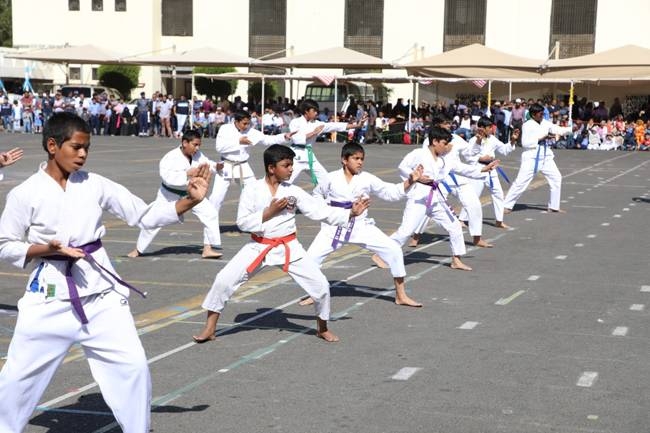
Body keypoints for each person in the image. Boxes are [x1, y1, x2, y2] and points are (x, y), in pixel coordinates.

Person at [0, 112, 211, 433]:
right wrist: (46, 249)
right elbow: (4, 244)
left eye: (87, 148)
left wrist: (188, 202)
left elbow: (143, 214)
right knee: (16, 380)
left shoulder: (96, 184)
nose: (83, 154)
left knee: (133, 368)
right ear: (52, 145)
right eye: (76, 147)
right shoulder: (25, 193)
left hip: (101, 299)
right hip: (49, 301)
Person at [192, 144, 369, 344]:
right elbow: (242, 222)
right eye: (286, 165)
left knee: (321, 286)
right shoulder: (252, 188)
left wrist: (350, 213)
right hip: (258, 245)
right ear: (271, 168)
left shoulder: (293, 192)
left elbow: (318, 211)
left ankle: (322, 327)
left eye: (292, 165)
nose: (291, 169)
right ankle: (210, 328)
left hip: (289, 246)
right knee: (223, 280)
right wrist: (268, 213)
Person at [303, 142, 424, 308]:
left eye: (362, 159)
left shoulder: (367, 178)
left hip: (361, 226)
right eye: (355, 158)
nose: (360, 162)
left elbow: (390, 193)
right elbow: (316, 194)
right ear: (344, 160)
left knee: (394, 250)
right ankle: (314, 293)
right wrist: (326, 212)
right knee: (311, 259)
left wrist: (410, 180)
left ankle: (401, 295)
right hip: (334, 227)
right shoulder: (330, 178)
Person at [379, 126, 498, 272]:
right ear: (435, 141)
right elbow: (402, 167)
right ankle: (380, 254)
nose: (446, 146)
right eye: (444, 143)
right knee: (406, 231)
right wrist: (417, 178)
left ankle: (456, 259)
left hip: (435, 199)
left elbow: (461, 168)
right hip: (419, 199)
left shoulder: (443, 160)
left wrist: (483, 170)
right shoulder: (419, 153)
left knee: (454, 226)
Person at [128, 129, 225, 259]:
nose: (197, 148)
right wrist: (186, 173)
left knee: (211, 214)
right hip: (169, 194)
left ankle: (208, 248)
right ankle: (138, 249)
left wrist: (216, 166)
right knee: (154, 220)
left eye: (199, 145)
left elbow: (207, 164)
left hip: (192, 192)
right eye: (195, 145)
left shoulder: (197, 155)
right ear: (185, 143)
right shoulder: (170, 157)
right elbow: (167, 177)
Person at [503, 103, 572, 214]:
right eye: (540, 114)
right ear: (534, 114)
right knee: (521, 181)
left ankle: (554, 206)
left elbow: (557, 129)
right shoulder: (527, 125)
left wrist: (571, 129)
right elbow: (525, 143)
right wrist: (541, 138)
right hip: (531, 156)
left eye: (543, 113)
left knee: (556, 177)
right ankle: (507, 205)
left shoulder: (545, 123)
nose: (542, 115)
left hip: (545, 156)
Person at [459, 117, 519, 229]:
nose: (492, 129)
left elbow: (505, 150)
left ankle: (499, 220)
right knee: (473, 196)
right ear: (481, 128)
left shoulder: (493, 139)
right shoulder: (473, 140)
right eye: (489, 127)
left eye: (492, 127)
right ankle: (462, 219)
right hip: (478, 170)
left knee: (498, 194)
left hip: (491, 170)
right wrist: (481, 159)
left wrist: (513, 140)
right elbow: (468, 156)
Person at [288, 99, 362, 186]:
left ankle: (320, 198)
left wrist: (357, 125)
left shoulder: (317, 124)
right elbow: (296, 139)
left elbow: (335, 126)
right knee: (286, 181)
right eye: (314, 111)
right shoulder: (295, 122)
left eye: (317, 111)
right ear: (306, 111)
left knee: (326, 181)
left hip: (309, 156)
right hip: (296, 157)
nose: (316, 113)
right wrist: (314, 133)